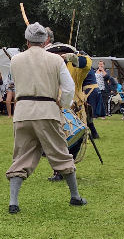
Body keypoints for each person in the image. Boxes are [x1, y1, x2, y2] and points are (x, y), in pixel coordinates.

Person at [6, 23, 86, 214]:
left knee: (21, 156)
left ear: (27, 41)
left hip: (23, 113)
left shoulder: (15, 60)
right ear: (45, 41)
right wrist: (63, 105)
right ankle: (75, 196)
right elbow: (67, 89)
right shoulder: (56, 60)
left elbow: (14, 85)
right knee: (60, 152)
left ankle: (13, 202)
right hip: (47, 111)